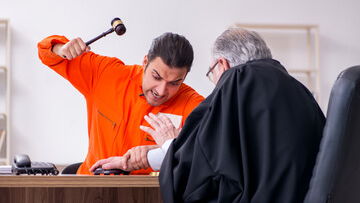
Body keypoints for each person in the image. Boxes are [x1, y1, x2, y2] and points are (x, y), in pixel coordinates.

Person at [100, 27, 325, 202]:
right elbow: (219, 154)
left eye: (211, 73)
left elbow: (197, 178)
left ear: (222, 65)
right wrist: (138, 160)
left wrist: (169, 142)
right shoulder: (299, 91)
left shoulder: (236, 82)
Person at [37, 32, 204, 175]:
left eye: (174, 83)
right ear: (145, 62)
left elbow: (209, 153)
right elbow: (45, 52)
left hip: (145, 196)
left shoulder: (194, 105)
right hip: (89, 190)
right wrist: (61, 49)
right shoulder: (105, 74)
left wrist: (158, 152)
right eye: (156, 77)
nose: (161, 91)